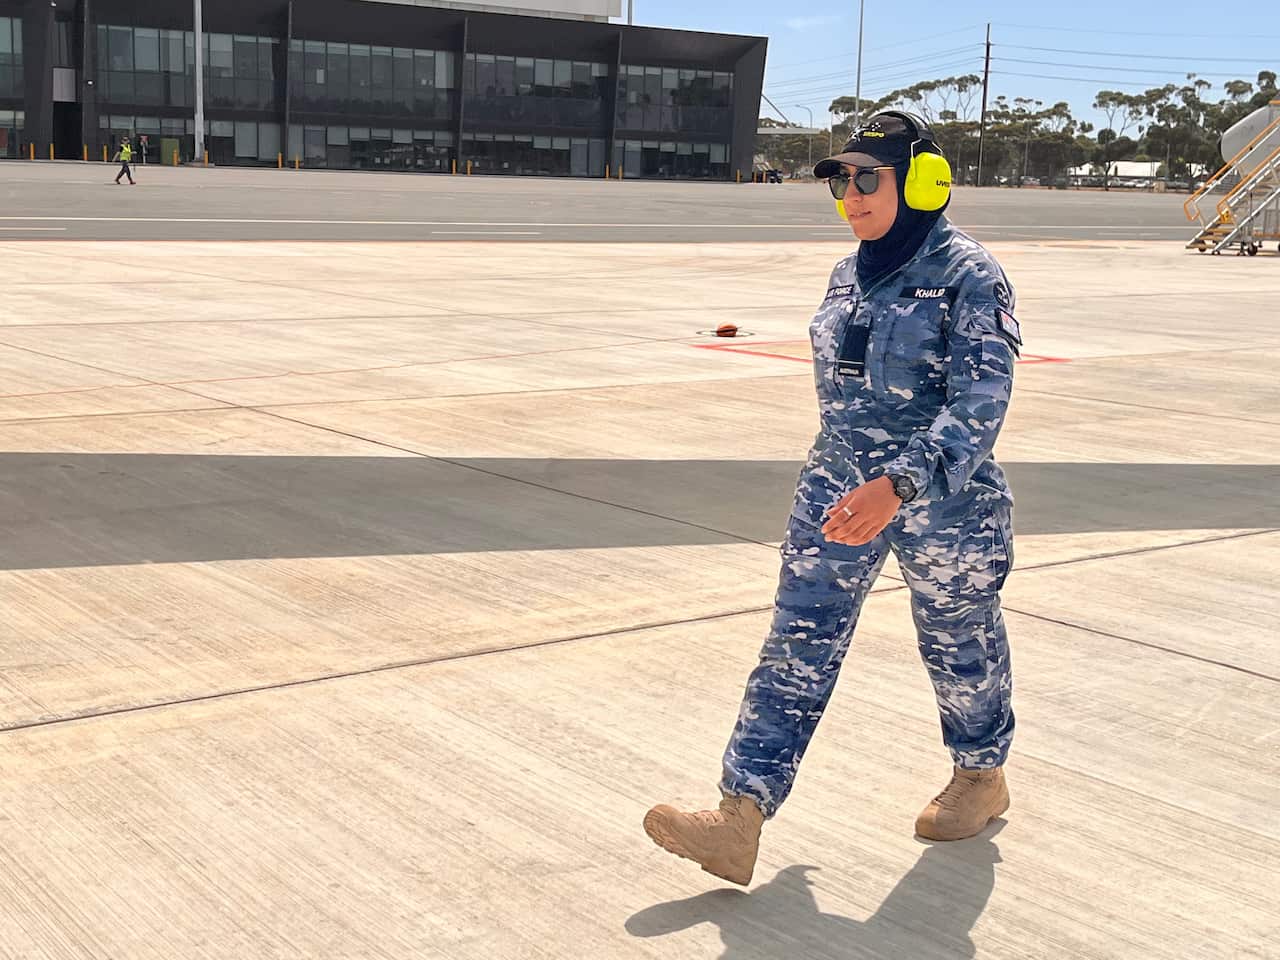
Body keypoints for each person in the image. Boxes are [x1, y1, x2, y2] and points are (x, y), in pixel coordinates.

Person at [643, 112, 1022, 886]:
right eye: (840, 181)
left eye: (866, 178)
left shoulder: (969, 274)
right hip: (839, 487)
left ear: (922, 181)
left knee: (959, 646)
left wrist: (901, 482)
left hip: (943, 502)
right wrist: (852, 476)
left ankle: (981, 774)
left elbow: (982, 400)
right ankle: (738, 817)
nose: (850, 195)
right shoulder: (847, 273)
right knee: (796, 642)